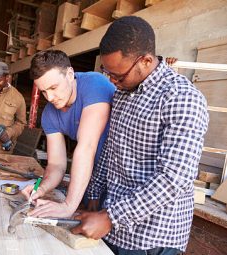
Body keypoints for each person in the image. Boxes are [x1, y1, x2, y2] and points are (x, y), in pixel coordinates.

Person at [71, 16, 209, 254]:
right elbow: (111, 152)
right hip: (114, 227)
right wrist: (93, 196)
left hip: (152, 238)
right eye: (108, 74)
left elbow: (174, 177)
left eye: (119, 76)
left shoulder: (181, 98)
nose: (113, 81)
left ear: (145, 60)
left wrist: (110, 217)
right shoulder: (123, 94)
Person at [22, 50, 115, 218]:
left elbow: (86, 148)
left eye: (53, 87)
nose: (50, 97)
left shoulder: (95, 85)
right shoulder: (49, 114)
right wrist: (41, 188)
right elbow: (56, 164)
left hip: (120, 180)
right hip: (92, 180)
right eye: (43, 91)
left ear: (70, 74)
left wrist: (68, 206)